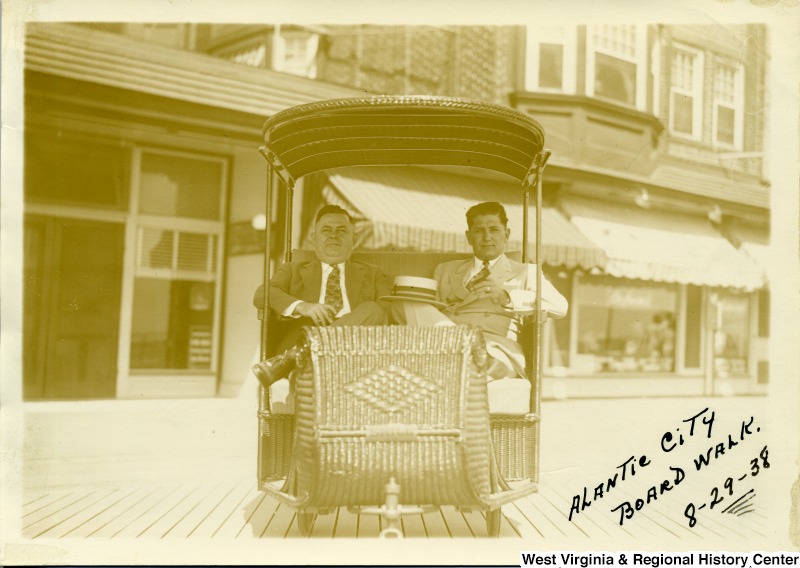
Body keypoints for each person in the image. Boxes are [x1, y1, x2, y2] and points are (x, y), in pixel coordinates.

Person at [391, 201, 568, 378]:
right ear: (469, 237)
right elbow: (428, 313)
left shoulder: (526, 271)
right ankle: (466, 347)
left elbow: (560, 306)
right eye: (479, 231)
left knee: (486, 364)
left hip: (494, 347)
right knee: (404, 302)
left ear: (506, 235)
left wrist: (508, 297)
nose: (487, 237)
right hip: (445, 341)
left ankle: (475, 357)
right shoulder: (445, 270)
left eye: (494, 230)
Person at [251, 205, 390, 388]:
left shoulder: (374, 274)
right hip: (302, 335)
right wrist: (304, 306)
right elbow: (263, 294)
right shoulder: (293, 269)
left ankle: (298, 355)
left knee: (374, 309)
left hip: (353, 348)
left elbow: (386, 310)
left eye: (341, 230)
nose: (333, 235)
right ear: (314, 238)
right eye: (326, 230)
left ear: (354, 239)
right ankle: (305, 355)